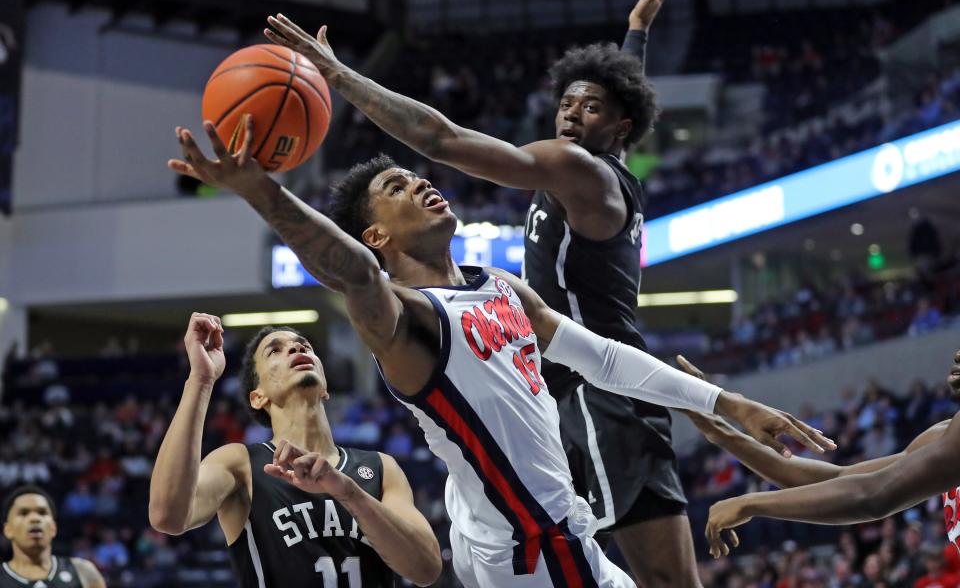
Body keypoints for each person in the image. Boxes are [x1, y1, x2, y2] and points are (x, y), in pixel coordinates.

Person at [166, 116, 833, 586]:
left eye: (416, 176)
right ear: (376, 234)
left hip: (553, 536)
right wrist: (262, 190)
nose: (423, 185)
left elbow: (603, 360)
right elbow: (352, 271)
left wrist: (727, 401)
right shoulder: (403, 319)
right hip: (530, 553)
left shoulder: (501, 287)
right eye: (396, 189)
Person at [260, 0, 742, 587]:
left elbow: (439, 138)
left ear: (617, 127)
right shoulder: (597, 164)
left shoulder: (577, 171)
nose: (570, 115)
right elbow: (621, 104)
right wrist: (637, 34)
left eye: (589, 108)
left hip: (596, 389)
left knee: (656, 576)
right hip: (555, 386)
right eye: (566, 103)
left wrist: (340, 76)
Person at [148, 313, 441, 587]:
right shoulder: (241, 463)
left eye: (304, 345)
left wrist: (347, 492)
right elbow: (167, 516)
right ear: (257, 397)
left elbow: (426, 569)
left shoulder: (380, 467)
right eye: (274, 351)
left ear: (325, 387)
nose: (295, 348)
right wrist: (200, 380)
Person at [684, 350, 960, 559]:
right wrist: (719, 430)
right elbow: (834, 479)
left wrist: (750, 503)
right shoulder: (945, 434)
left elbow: (873, 495)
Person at [1, 485, 105, 588]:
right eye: (24, 513)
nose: (35, 518)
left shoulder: (83, 573)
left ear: (53, 528)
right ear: (8, 530)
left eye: (42, 513)